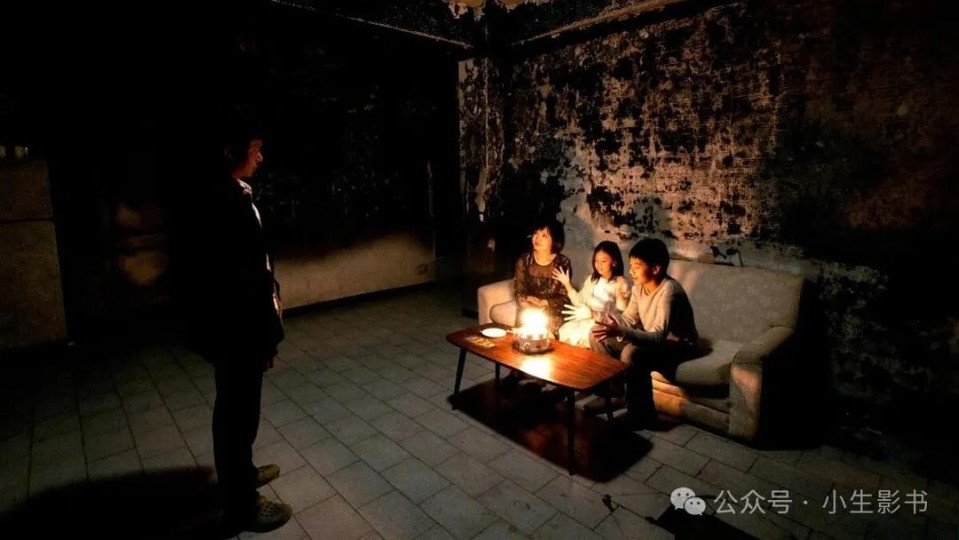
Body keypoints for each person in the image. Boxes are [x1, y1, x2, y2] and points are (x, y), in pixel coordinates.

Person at [172, 127, 292, 534]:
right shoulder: (221, 201)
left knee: (237, 408)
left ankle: (242, 473)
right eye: (255, 150)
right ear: (233, 152)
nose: (260, 157)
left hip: (238, 325)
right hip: (237, 329)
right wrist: (265, 334)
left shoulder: (230, 193)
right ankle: (241, 504)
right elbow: (238, 281)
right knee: (237, 413)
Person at [588, 238, 700, 427]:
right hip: (657, 343)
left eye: (637, 266)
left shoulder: (670, 291)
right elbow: (629, 319)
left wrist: (621, 331)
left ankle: (641, 416)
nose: (631, 271)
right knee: (596, 334)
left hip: (680, 347)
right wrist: (612, 323)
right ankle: (615, 395)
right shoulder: (639, 287)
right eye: (631, 265)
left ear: (655, 269)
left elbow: (658, 336)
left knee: (632, 352)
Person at [553, 241, 629, 348]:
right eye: (596, 261)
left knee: (581, 344)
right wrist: (567, 284)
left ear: (614, 262)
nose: (599, 265)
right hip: (587, 323)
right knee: (566, 339)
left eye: (603, 261)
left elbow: (622, 318)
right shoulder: (592, 279)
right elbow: (580, 302)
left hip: (605, 328)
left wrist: (593, 314)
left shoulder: (620, 283)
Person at [513, 218, 572, 337]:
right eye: (536, 233)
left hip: (552, 311)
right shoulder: (524, 260)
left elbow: (565, 297)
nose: (537, 239)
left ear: (554, 240)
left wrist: (545, 303)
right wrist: (527, 303)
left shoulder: (563, 263)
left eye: (544, 235)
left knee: (546, 337)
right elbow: (519, 292)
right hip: (529, 308)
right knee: (523, 337)